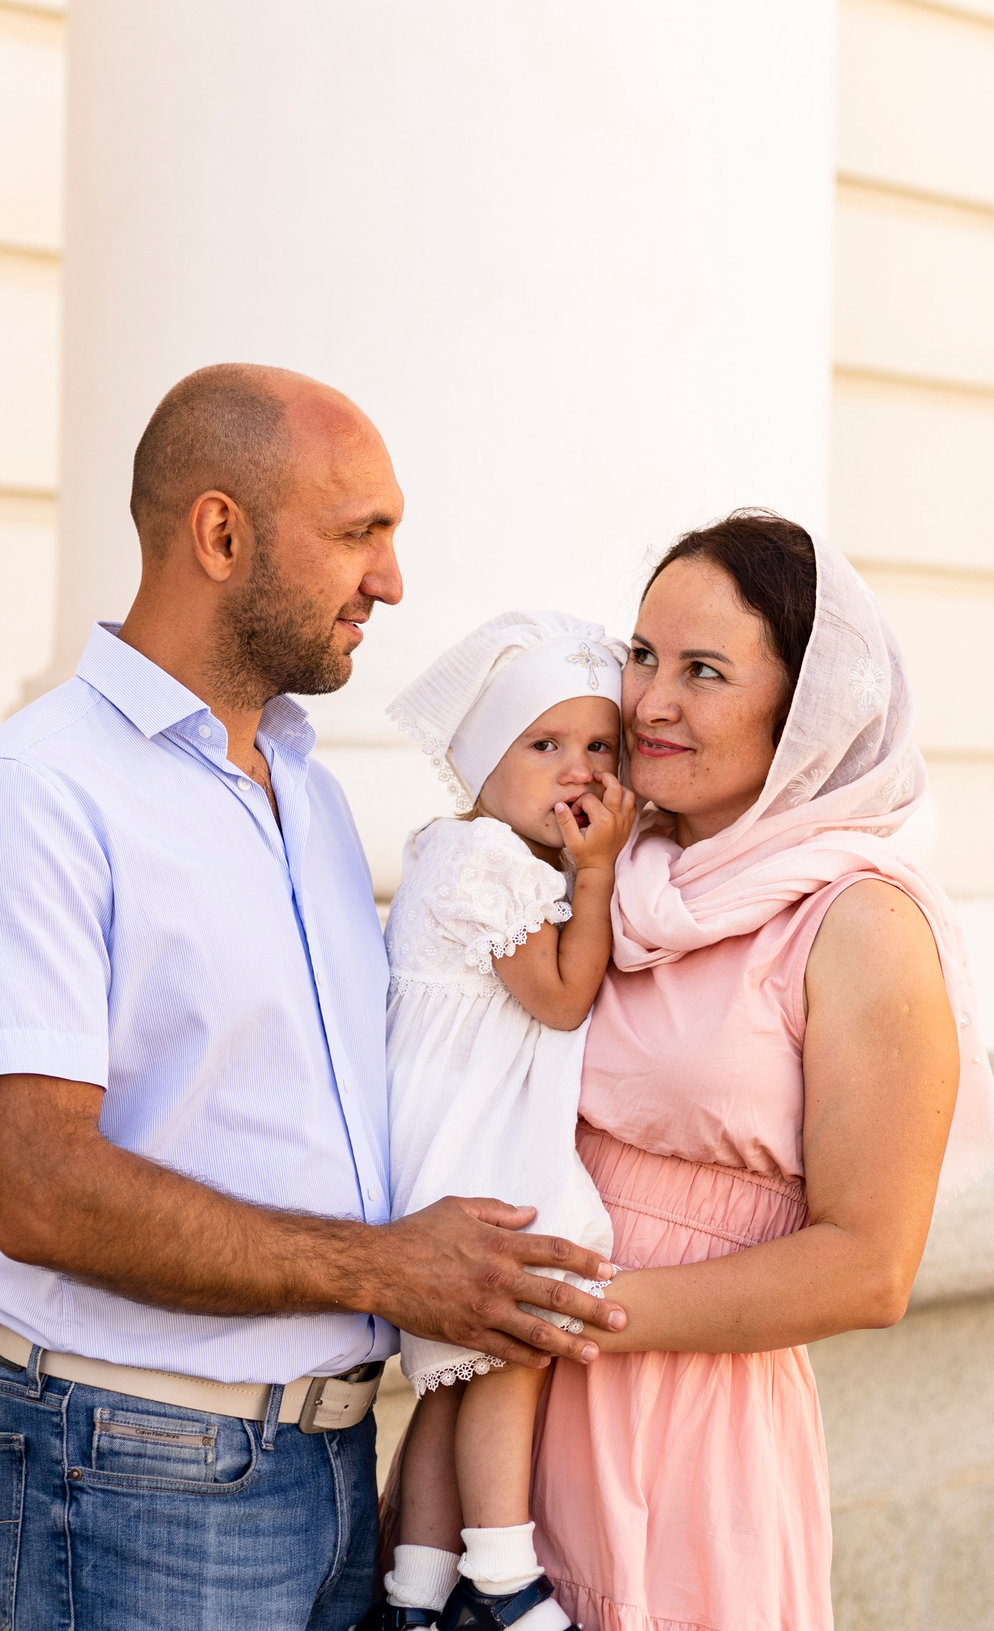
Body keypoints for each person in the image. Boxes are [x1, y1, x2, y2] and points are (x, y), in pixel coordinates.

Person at [0, 364, 623, 1631]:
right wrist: (390, 1266)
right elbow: (41, 1190)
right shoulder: (27, 794)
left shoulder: (311, 795)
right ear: (220, 533)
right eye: (358, 534)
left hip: (335, 1464)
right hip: (136, 1467)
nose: (390, 581)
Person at [529, 511, 994, 1631]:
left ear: (804, 713)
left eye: (704, 671)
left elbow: (868, 1268)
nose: (650, 702)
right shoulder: (604, 872)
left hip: (692, 1431)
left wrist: (586, 1312)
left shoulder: (861, 922)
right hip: (516, 1405)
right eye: (642, 655)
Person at [372, 612, 642, 1630]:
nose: (575, 771)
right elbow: (563, 997)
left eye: (598, 749)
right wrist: (600, 871)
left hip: (460, 1125)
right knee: (519, 1321)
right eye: (544, 746)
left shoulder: (475, 853)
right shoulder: (485, 861)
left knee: (456, 1377)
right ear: (483, 761)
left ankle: (415, 1590)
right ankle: (500, 1568)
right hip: (466, 1139)